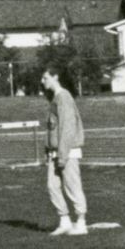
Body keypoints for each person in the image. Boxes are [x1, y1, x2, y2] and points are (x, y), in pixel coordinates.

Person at [40, 61, 91, 237]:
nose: (42, 80)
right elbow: (52, 127)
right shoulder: (54, 99)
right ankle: (65, 221)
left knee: (72, 186)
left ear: (55, 77)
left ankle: (81, 223)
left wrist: (62, 154)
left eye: (45, 77)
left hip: (67, 151)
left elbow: (67, 128)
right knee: (52, 186)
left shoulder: (64, 97)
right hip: (56, 152)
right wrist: (49, 151)